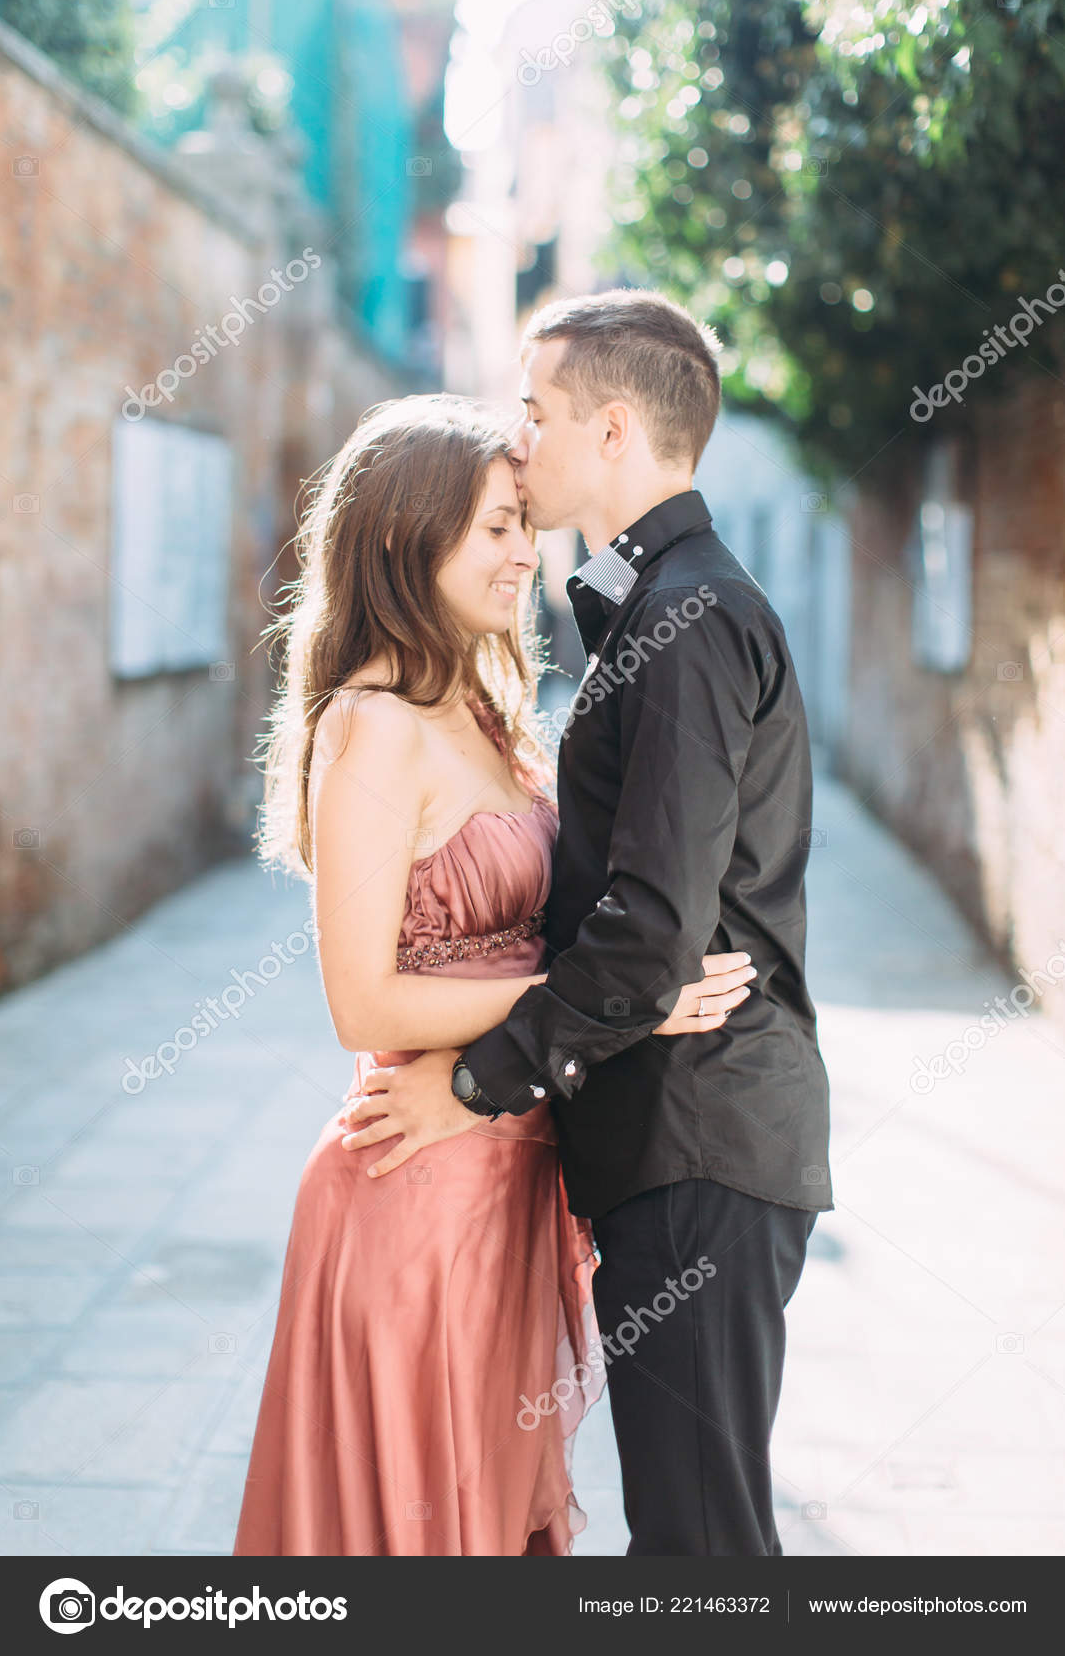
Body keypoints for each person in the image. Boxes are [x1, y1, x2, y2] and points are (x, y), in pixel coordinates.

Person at [342, 291, 834, 1557]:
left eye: (537, 411)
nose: (520, 440)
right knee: (687, 1535)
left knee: (700, 1546)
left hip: (699, 1132)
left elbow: (649, 932)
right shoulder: (651, 605)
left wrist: (475, 1083)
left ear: (614, 430)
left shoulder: (689, 617)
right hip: (674, 1130)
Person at [232, 393, 754, 1556]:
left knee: (493, 1529)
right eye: (494, 528)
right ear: (403, 536)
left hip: (507, 1175)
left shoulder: (478, 701)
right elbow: (360, 1003)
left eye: (524, 520)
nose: (527, 552)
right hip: (415, 1191)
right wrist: (623, 1003)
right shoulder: (372, 724)